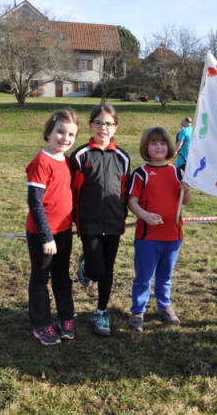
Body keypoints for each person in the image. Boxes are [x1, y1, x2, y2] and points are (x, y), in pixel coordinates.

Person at [71, 103, 131, 337]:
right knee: (97, 272)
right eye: (98, 123)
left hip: (114, 223)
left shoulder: (122, 157)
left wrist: (122, 213)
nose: (102, 128)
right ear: (90, 126)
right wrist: (76, 219)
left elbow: (124, 190)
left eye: (108, 124)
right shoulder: (80, 155)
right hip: (90, 222)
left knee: (108, 270)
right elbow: (73, 190)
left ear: (115, 128)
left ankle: (101, 311)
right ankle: (87, 263)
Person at [127, 126, 192, 332]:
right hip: (148, 237)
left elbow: (186, 202)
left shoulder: (178, 172)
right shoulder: (141, 174)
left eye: (163, 143)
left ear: (170, 147)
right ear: (146, 147)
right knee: (144, 276)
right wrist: (144, 215)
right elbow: (132, 202)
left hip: (173, 236)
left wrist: (187, 189)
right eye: (154, 143)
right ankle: (138, 310)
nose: (158, 147)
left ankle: (164, 305)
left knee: (166, 275)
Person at [26, 109, 79, 346]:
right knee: (40, 278)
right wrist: (47, 237)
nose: (64, 138)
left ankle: (66, 318)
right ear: (49, 133)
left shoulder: (67, 161)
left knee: (62, 277)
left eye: (70, 134)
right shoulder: (40, 162)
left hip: (64, 231)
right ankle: (41, 324)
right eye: (60, 132)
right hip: (43, 235)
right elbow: (34, 201)